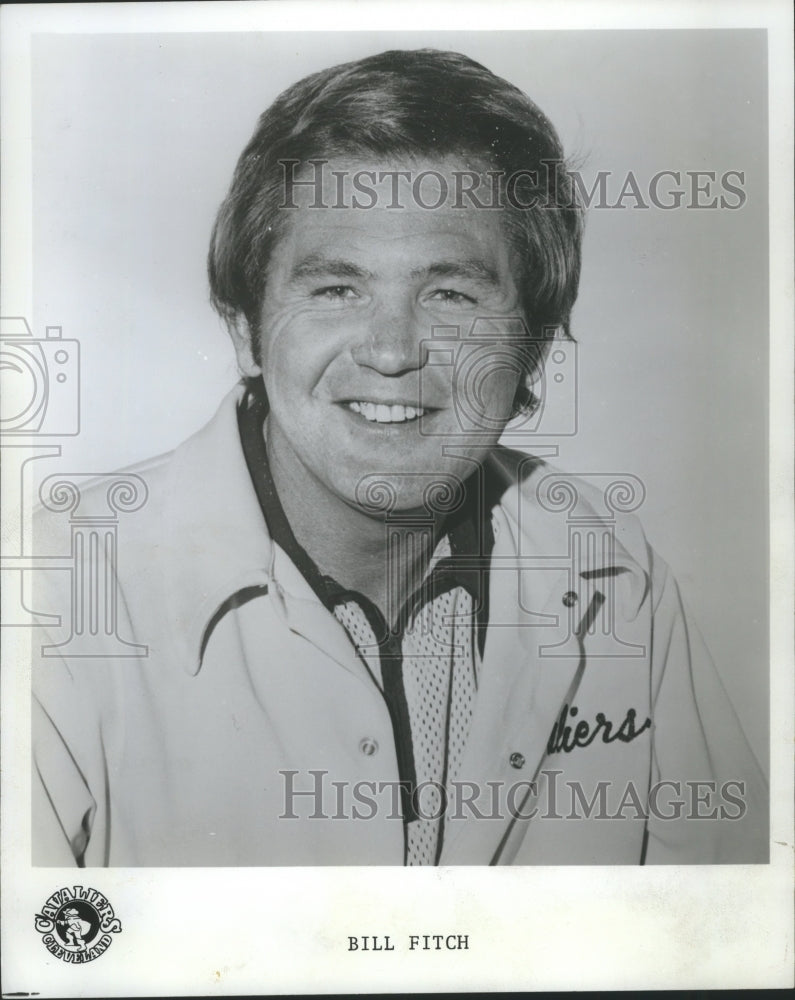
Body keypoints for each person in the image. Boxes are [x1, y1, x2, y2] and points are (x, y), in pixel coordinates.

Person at [31, 48, 767, 866]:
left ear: (530, 345)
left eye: (449, 294)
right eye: (334, 289)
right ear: (243, 329)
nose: (390, 352)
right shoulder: (55, 595)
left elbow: (719, 941)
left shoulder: (614, 575)